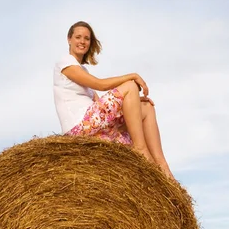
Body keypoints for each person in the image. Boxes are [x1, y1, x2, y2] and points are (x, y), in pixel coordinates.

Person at [53, 21, 175, 180]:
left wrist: (135, 102)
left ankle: (162, 166)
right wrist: (132, 77)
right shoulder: (65, 62)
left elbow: (99, 101)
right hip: (78, 126)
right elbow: (100, 84)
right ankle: (140, 148)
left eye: (86, 38)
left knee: (145, 107)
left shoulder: (82, 69)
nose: (82, 41)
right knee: (130, 86)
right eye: (78, 37)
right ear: (69, 39)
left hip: (92, 124)